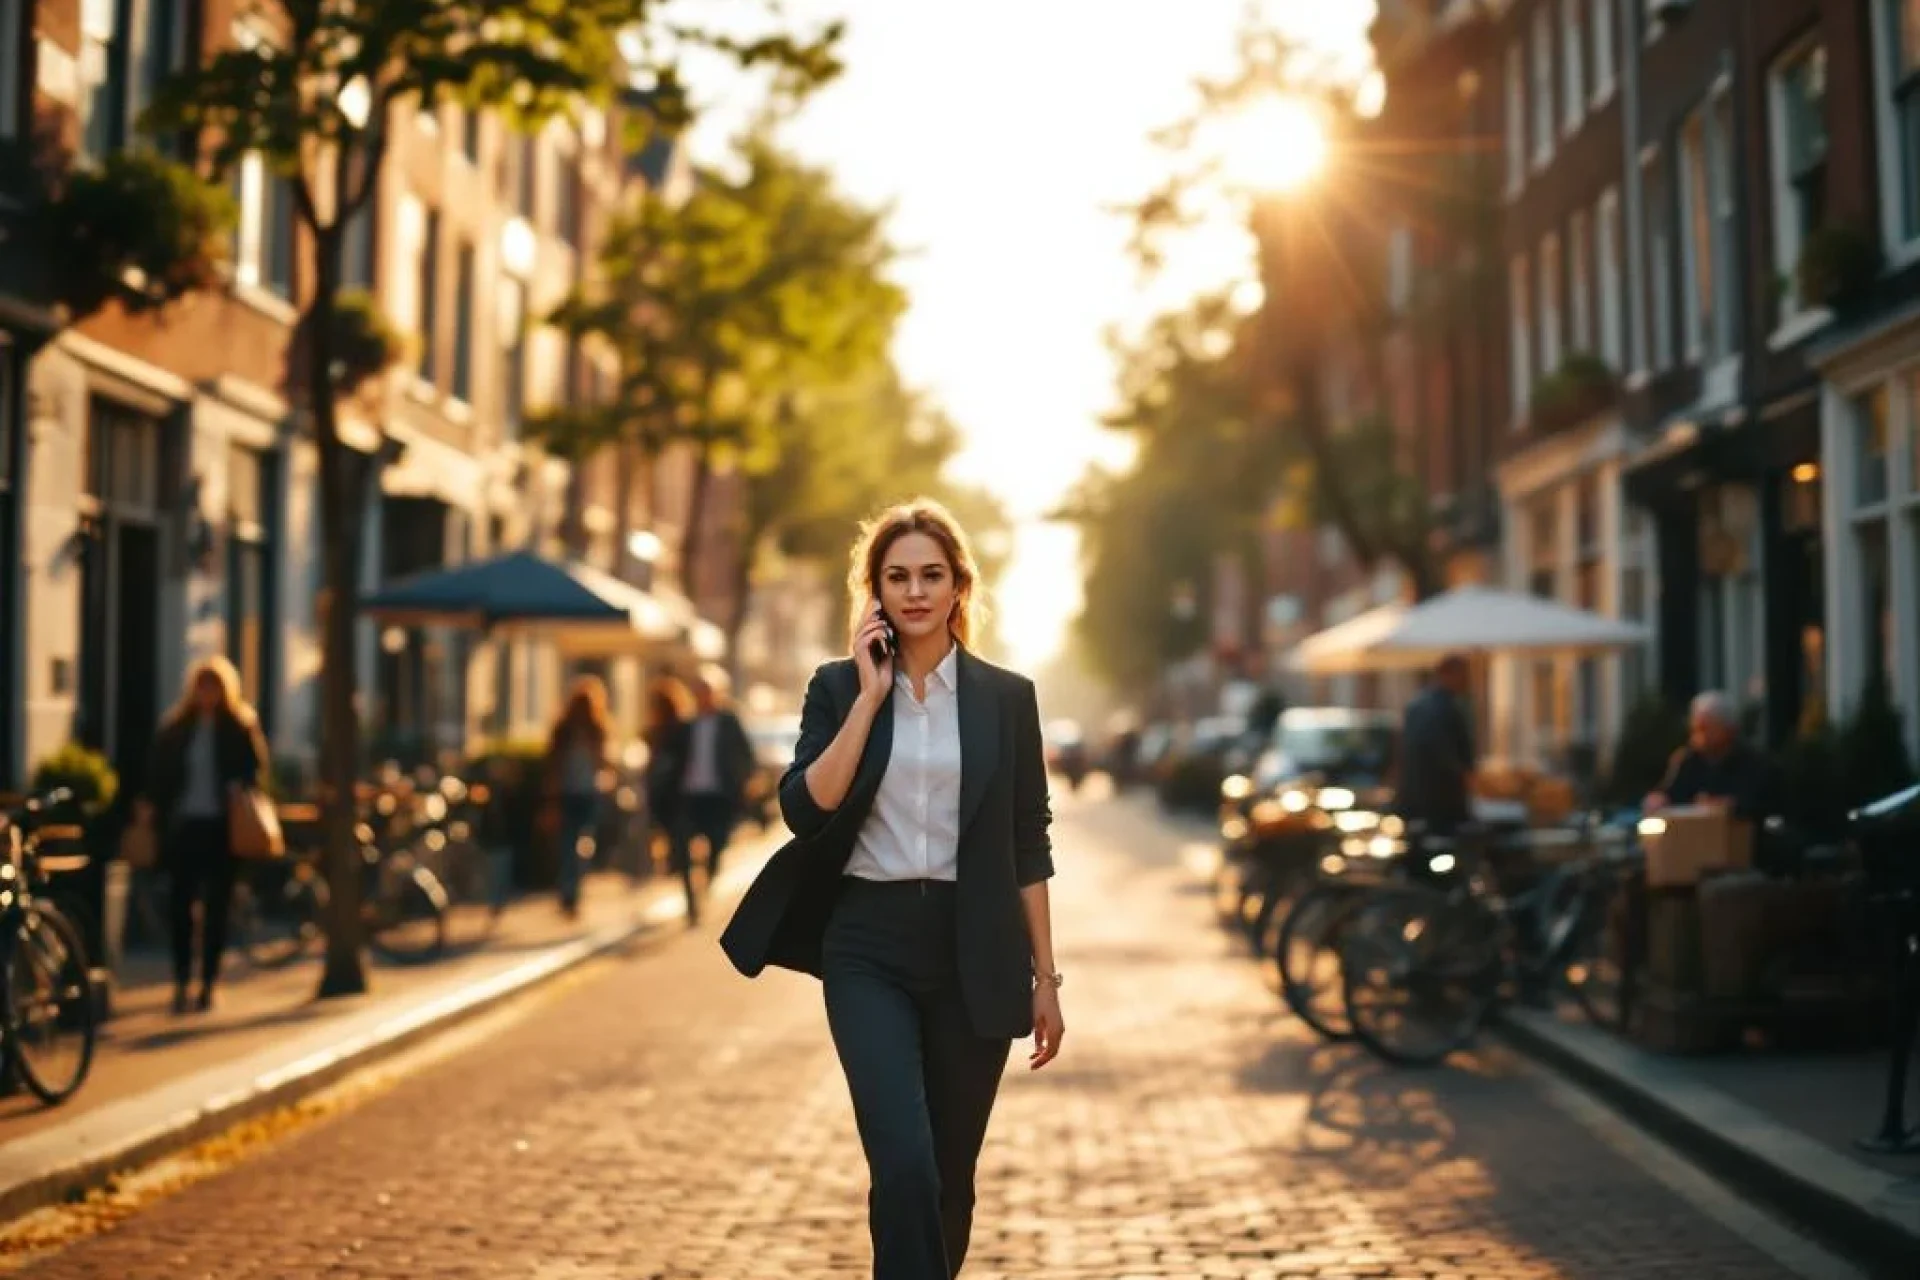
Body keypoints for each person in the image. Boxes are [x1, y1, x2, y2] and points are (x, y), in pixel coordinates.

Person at [721, 498, 1063, 1280]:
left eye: (931, 576)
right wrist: (872, 696)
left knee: (947, 1178)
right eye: (897, 576)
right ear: (873, 590)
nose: (915, 592)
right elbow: (805, 807)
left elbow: (1027, 841)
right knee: (903, 1163)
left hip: (973, 946)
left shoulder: (1006, 699)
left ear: (959, 588)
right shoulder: (838, 689)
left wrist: (1045, 977)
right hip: (866, 947)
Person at [137, 657, 270, 1015]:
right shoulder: (178, 728)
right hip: (184, 826)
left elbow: (255, 772)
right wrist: (151, 806)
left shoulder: (239, 727)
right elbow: (159, 774)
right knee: (181, 907)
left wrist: (237, 788)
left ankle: (208, 983)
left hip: (223, 829)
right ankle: (182, 980)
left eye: (213, 687)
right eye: (202, 686)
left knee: (217, 909)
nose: (207, 694)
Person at [670, 664, 755, 920]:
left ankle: (707, 881)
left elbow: (746, 755)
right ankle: (690, 900)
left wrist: (743, 783)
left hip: (719, 795)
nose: (702, 696)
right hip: (689, 795)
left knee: (717, 843)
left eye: (706, 691)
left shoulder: (729, 722)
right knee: (682, 846)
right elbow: (673, 757)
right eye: (698, 691)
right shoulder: (686, 725)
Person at [544, 676, 612, 918]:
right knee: (569, 845)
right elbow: (553, 765)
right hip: (568, 793)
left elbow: (604, 762)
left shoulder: (597, 730)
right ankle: (568, 892)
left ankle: (573, 890)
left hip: (587, 793)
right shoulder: (563, 732)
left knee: (581, 844)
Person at [1646, 690, 1769, 820]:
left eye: (1704, 729)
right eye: (1694, 730)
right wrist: (1658, 799)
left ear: (1729, 729)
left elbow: (1755, 805)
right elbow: (1670, 794)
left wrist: (1723, 806)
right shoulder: (1688, 761)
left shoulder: (1754, 765)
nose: (1696, 738)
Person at [1395, 653, 1476, 837]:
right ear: (1448, 674)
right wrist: (1464, 776)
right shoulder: (1441, 708)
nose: (1466, 681)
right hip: (1439, 802)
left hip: (1419, 800)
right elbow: (1442, 753)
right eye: (1463, 675)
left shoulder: (1419, 705)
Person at [641, 674, 696, 919]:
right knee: (678, 846)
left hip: (673, 796)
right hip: (669, 796)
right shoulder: (659, 730)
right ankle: (688, 893)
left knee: (679, 847)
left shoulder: (678, 730)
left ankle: (691, 899)